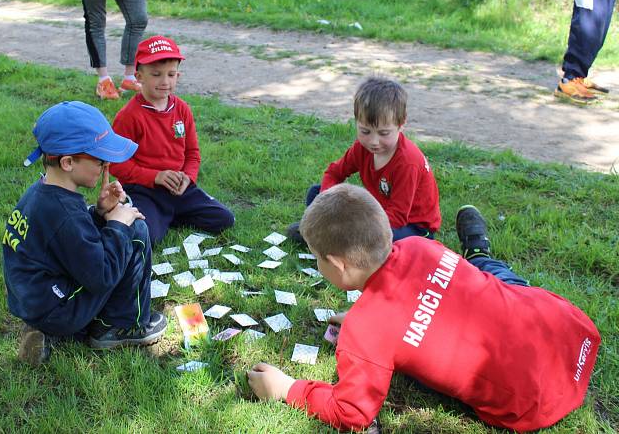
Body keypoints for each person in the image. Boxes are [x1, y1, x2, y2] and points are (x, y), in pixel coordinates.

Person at [248, 184, 601, 432]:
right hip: (573, 332)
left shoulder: (366, 332)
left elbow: (352, 412)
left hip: (535, 402)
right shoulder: (420, 245)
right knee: (489, 285)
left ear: (337, 265)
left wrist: (286, 389)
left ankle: (482, 255)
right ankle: (479, 252)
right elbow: (429, 302)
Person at [2, 101, 166, 365]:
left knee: (121, 227)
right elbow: (102, 275)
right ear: (68, 162)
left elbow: (68, 241)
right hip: (57, 308)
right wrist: (117, 226)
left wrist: (101, 213)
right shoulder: (64, 214)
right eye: (100, 159)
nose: (107, 166)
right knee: (136, 230)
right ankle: (121, 326)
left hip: (38, 300)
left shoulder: (43, 193)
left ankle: (50, 331)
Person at [110, 35, 235, 245]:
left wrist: (188, 177)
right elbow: (116, 164)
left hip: (179, 187)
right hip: (145, 190)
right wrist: (155, 177)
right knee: (148, 236)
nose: (165, 81)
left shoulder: (182, 109)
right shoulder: (129, 116)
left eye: (171, 74)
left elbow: (193, 154)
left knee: (224, 219)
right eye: (156, 74)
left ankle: (166, 215)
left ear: (178, 75)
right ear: (139, 76)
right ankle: (155, 215)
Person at [287, 78, 440, 244]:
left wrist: (356, 225)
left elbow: (397, 217)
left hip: (412, 227)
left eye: (383, 133)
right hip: (377, 210)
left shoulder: (407, 163)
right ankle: (326, 232)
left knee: (382, 243)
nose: (374, 141)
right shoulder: (361, 148)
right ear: (356, 122)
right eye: (365, 131)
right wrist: (327, 203)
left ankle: (327, 234)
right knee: (316, 193)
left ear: (401, 124)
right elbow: (334, 173)